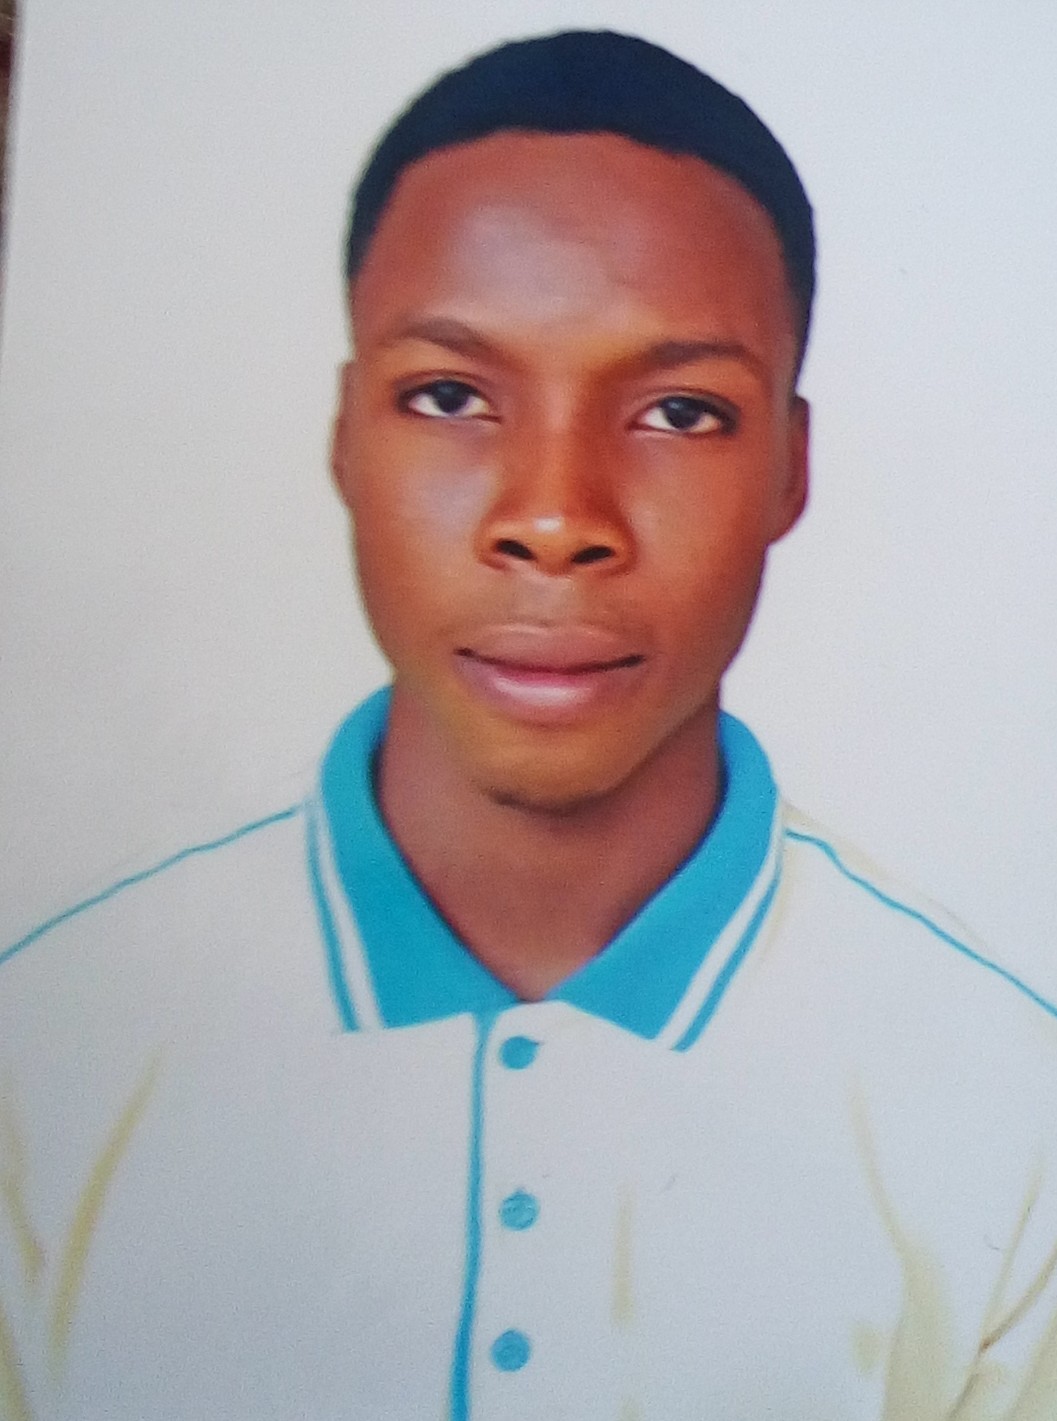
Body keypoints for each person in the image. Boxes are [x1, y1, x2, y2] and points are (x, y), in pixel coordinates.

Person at [2, 28, 1056, 1421]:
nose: (554, 519)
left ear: (791, 471)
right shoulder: (41, 1058)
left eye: (680, 411)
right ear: (343, 435)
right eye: (450, 396)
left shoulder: (1013, 1120)